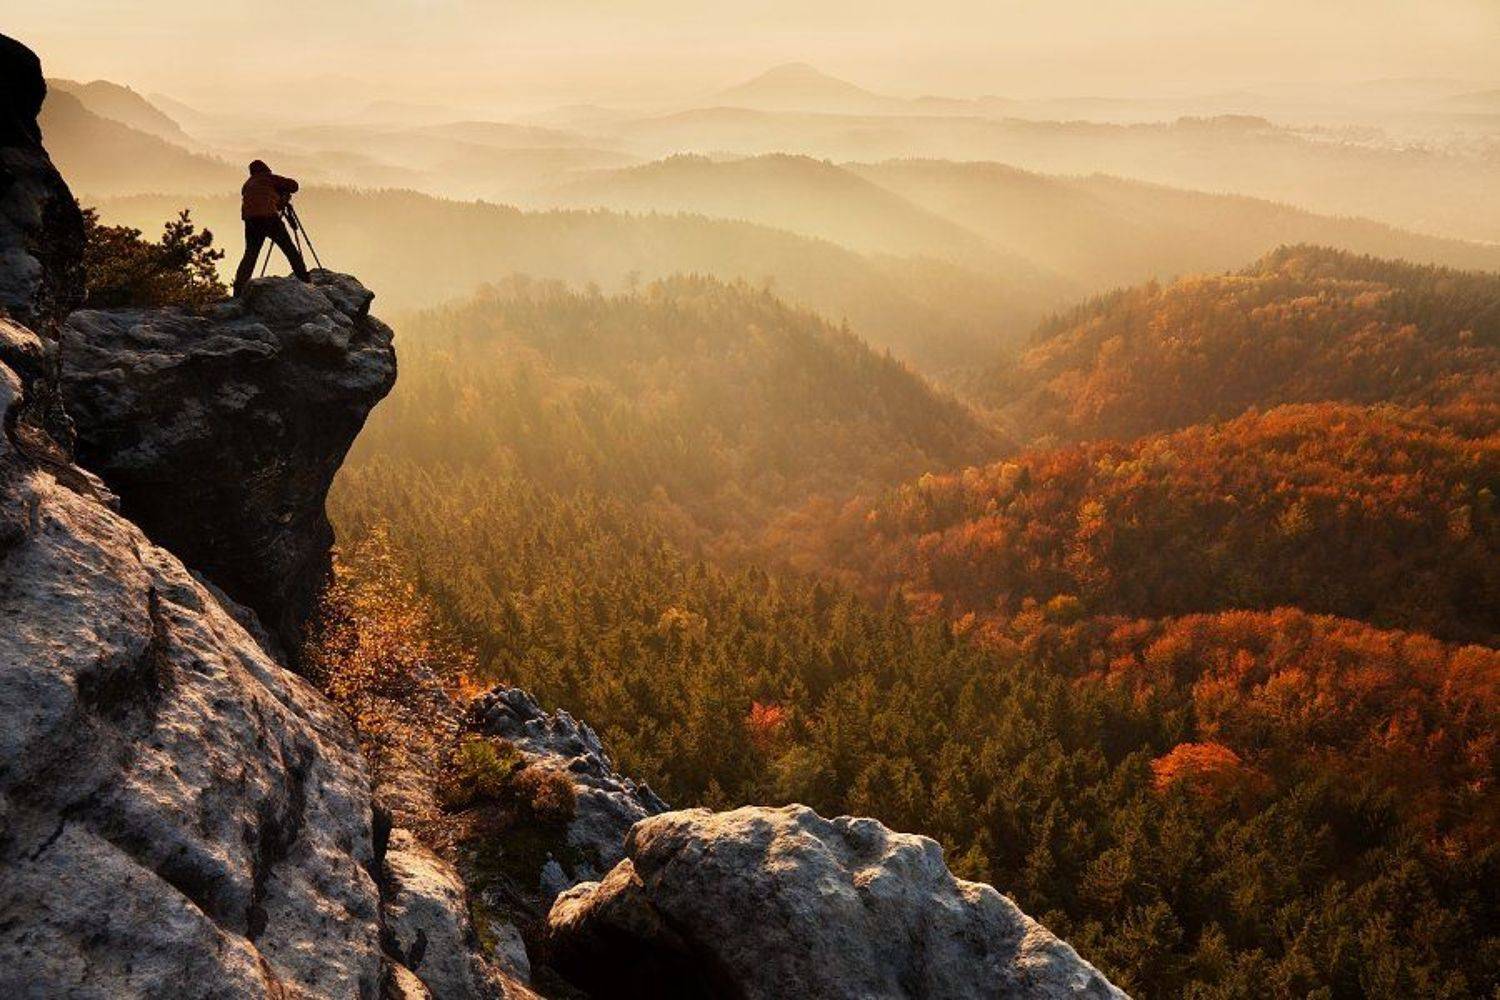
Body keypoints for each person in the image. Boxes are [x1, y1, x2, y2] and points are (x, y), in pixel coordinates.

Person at [232, 160, 310, 296]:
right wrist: (282, 194)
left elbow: (260, 197)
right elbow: (294, 185)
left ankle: (238, 290)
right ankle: (305, 280)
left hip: (250, 220)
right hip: (269, 217)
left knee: (250, 254)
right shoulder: (269, 178)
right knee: (289, 249)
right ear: (266, 170)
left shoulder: (247, 185)